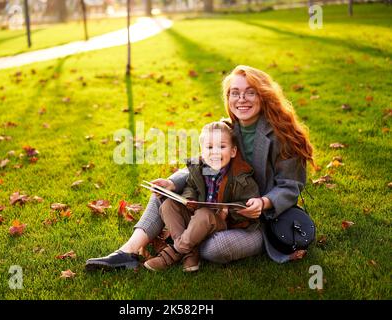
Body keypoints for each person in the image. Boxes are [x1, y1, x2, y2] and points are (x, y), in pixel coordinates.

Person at [85, 65, 314, 271]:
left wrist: (264, 203)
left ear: (263, 96)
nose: (241, 99)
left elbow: (290, 186)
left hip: (256, 221)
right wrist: (172, 183)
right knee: (164, 193)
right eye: (235, 93)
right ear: (228, 97)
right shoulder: (226, 128)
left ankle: (182, 245)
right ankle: (128, 252)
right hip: (214, 211)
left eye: (250, 92)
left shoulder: (283, 135)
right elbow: (202, 163)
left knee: (214, 249)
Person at [144, 121, 260, 272]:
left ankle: (174, 252)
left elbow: (248, 205)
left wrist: (228, 212)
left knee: (204, 214)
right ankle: (190, 254)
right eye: (209, 147)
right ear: (202, 151)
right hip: (197, 216)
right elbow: (191, 186)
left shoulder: (241, 177)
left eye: (222, 147)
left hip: (222, 222)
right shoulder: (200, 169)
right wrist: (188, 199)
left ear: (233, 151)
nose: (215, 152)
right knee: (168, 205)